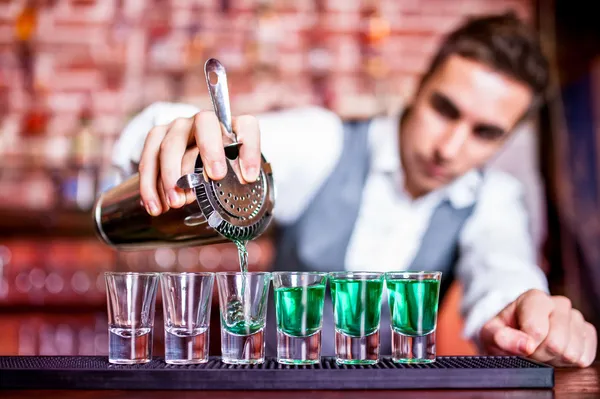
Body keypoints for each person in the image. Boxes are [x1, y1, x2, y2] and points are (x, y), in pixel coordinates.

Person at [111, 12, 597, 367]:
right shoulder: (327, 143)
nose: (449, 148)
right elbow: (209, 139)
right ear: (418, 87)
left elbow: (504, 271)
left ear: (507, 139)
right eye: (445, 109)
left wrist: (524, 313)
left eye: (485, 133)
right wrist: (173, 134)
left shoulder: (493, 199)